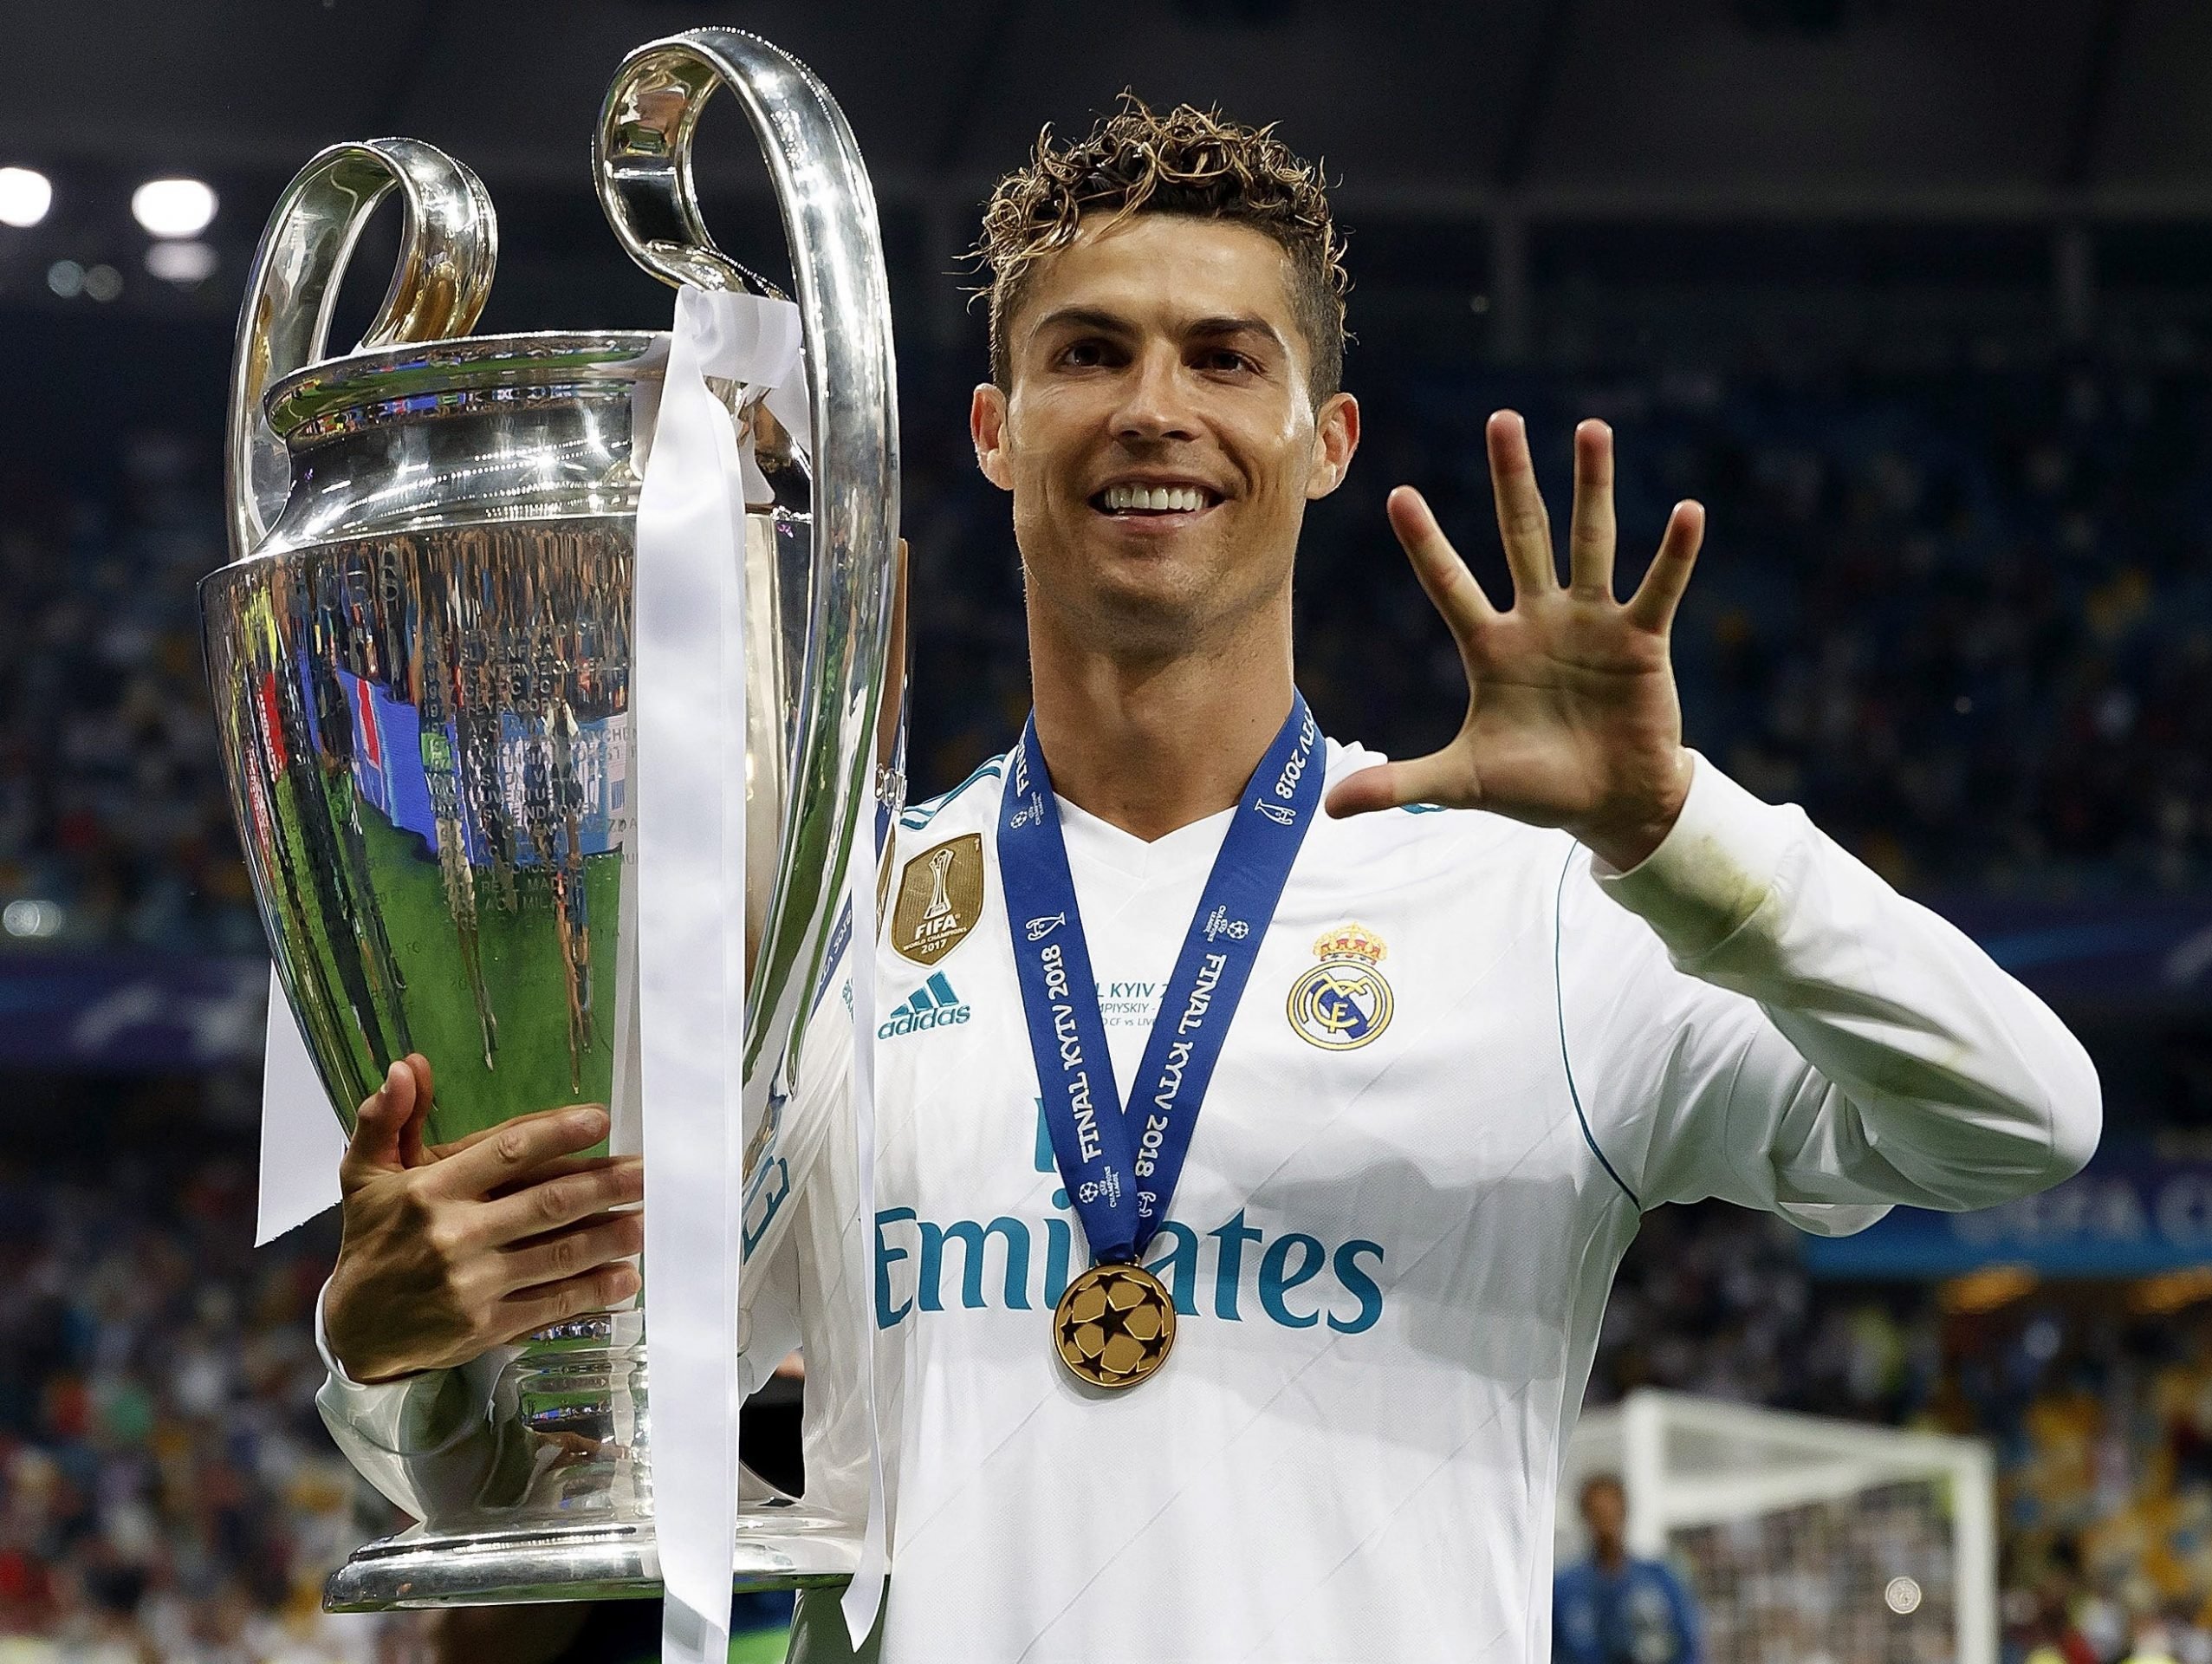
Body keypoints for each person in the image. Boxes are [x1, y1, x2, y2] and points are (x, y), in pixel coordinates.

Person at [313, 97, 2102, 1663]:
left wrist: (1674, 830)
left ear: (1322, 443)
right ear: (995, 432)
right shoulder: (824, 937)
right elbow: (563, 1484)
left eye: (1223, 358)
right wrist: (389, 1364)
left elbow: (2020, 1120)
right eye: (1087, 353)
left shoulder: (1537, 914)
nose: (1151, 410)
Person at [1552, 1475, 1700, 1664]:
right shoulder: (1564, 1589)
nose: (1605, 1523)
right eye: (1597, 1513)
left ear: (1624, 1512)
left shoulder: (1659, 1579)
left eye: (1611, 1513)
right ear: (1585, 1517)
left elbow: (1688, 1644)